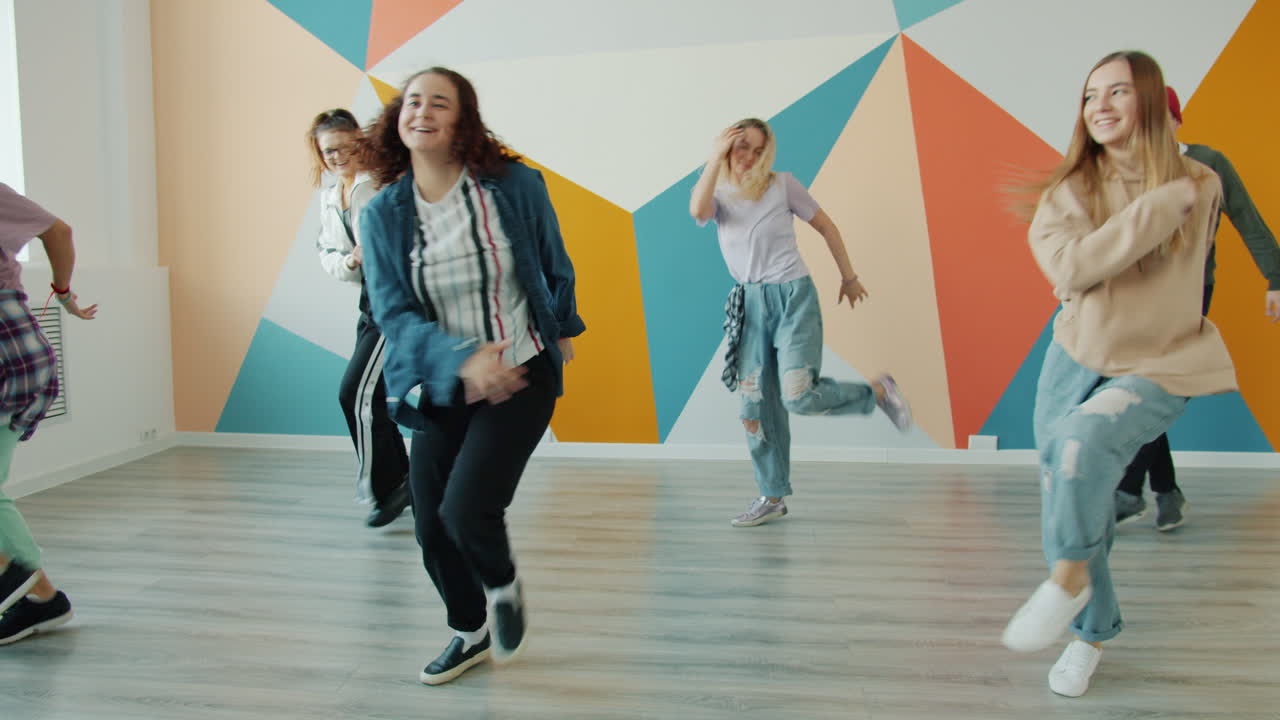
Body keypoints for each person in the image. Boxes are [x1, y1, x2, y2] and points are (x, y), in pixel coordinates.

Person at [1001, 51, 1236, 697]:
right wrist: (1157, 208)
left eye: (1118, 93)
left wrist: (1164, 197)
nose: (1099, 106)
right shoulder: (1070, 191)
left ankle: (1068, 586)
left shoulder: (1202, 181)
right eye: (1089, 96)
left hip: (1163, 362)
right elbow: (1071, 272)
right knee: (1066, 489)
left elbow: (1169, 272)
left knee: (1080, 448)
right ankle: (1095, 629)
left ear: (1153, 100)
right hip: (1075, 358)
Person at [358, 67, 584, 685]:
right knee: (430, 525)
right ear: (397, 119)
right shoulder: (382, 214)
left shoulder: (513, 185)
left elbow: (552, 260)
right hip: (440, 383)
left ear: (463, 118)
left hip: (519, 375)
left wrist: (562, 327)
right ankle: (471, 630)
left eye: (440, 102)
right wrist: (460, 356)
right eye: (412, 101)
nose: (422, 111)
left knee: (467, 510)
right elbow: (392, 313)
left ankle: (504, 587)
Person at [688, 118, 911, 528]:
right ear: (726, 148)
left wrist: (849, 276)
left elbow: (825, 226)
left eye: (758, 150)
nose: (750, 158)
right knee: (755, 407)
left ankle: (878, 393)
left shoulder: (782, 185)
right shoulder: (716, 193)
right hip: (749, 304)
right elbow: (698, 211)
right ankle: (771, 496)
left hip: (793, 297)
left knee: (796, 394)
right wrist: (715, 156)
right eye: (742, 148)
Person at [1114, 86, 1280, 531]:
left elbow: (1248, 218)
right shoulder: (1129, 170)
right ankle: (1166, 492)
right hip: (1138, 294)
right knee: (1146, 386)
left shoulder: (1209, 164)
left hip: (1190, 291)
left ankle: (1129, 491)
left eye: (1159, 119)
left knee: (1159, 383)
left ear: (1176, 121)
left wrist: (1277, 278)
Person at [0, 183, 98, 645]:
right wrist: (62, 291)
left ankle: (21, 581)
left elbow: (59, 230)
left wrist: (62, 290)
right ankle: (38, 597)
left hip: (8, 349)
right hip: (18, 347)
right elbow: (58, 230)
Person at [307, 109, 410, 528]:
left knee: (356, 394)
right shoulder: (331, 196)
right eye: (330, 150)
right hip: (371, 300)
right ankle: (408, 482)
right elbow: (327, 256)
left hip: (397, 300)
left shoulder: (381, 185)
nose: (338, 156)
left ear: (360, 143)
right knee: (373, 396)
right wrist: (352, 259)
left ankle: (385, 488)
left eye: (346, 147)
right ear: (319, 152)